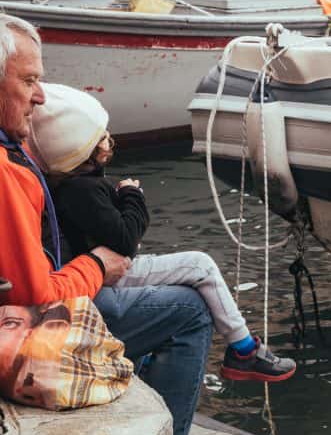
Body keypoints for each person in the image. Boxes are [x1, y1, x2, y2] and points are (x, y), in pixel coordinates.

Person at [0, 9, 211, 435]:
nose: (40, 95)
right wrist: (98, 264)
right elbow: (36, 296)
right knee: (189, 310)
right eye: (29, 80)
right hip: (3, 329)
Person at [28, 84, 297, 382]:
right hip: (110, 272)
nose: (108, 140)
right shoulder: (82, 191)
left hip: (92, 271)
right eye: (102, 137)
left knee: (193, 278)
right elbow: (126, 239)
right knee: (201, 265)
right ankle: (244, 350)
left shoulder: (68, 186)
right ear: (89, 149)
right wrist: (133, 196)